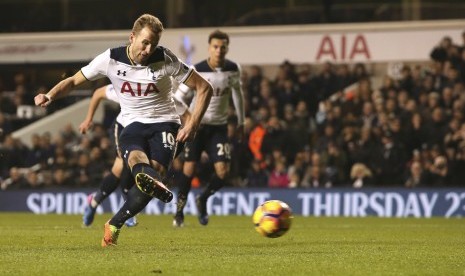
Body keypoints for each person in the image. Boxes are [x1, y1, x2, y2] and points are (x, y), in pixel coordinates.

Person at [34, 14, 213, 247]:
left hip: (165, 123)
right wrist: (50, 95)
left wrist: (193, 124)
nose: (149, 49)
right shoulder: (110, 59)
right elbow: (74, 81)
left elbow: (204, 87)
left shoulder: (166, 59)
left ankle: (115, 223)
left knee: (152, 174)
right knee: (144, 170)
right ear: (132, 37)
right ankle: (145, 186)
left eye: (154, 44)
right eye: (145, 42)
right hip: (131, 124)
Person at [80, 84, 191, 228]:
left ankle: (95, 201)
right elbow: (98, 92)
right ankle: (123, 210)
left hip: (150, 133)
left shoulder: (169, 99)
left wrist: (186, 135)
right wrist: (89, 119)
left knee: (131, 169)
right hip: (123, 128)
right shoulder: (131, 86)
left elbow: (189, 117)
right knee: (125, 165)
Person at [173, 30, 245, 227]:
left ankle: (202, 199)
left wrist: (241, 122)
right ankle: (179, 213)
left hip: (219, 128)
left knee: (223, 172)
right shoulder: (197, 70)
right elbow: (178, 97)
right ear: (209, 48)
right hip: (198, 127)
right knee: (189, 170)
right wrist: (189, 118)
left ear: (227, 48)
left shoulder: (233, 69)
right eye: (215, 47)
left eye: (223, 47)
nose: (219, 50)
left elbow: (238, 95)